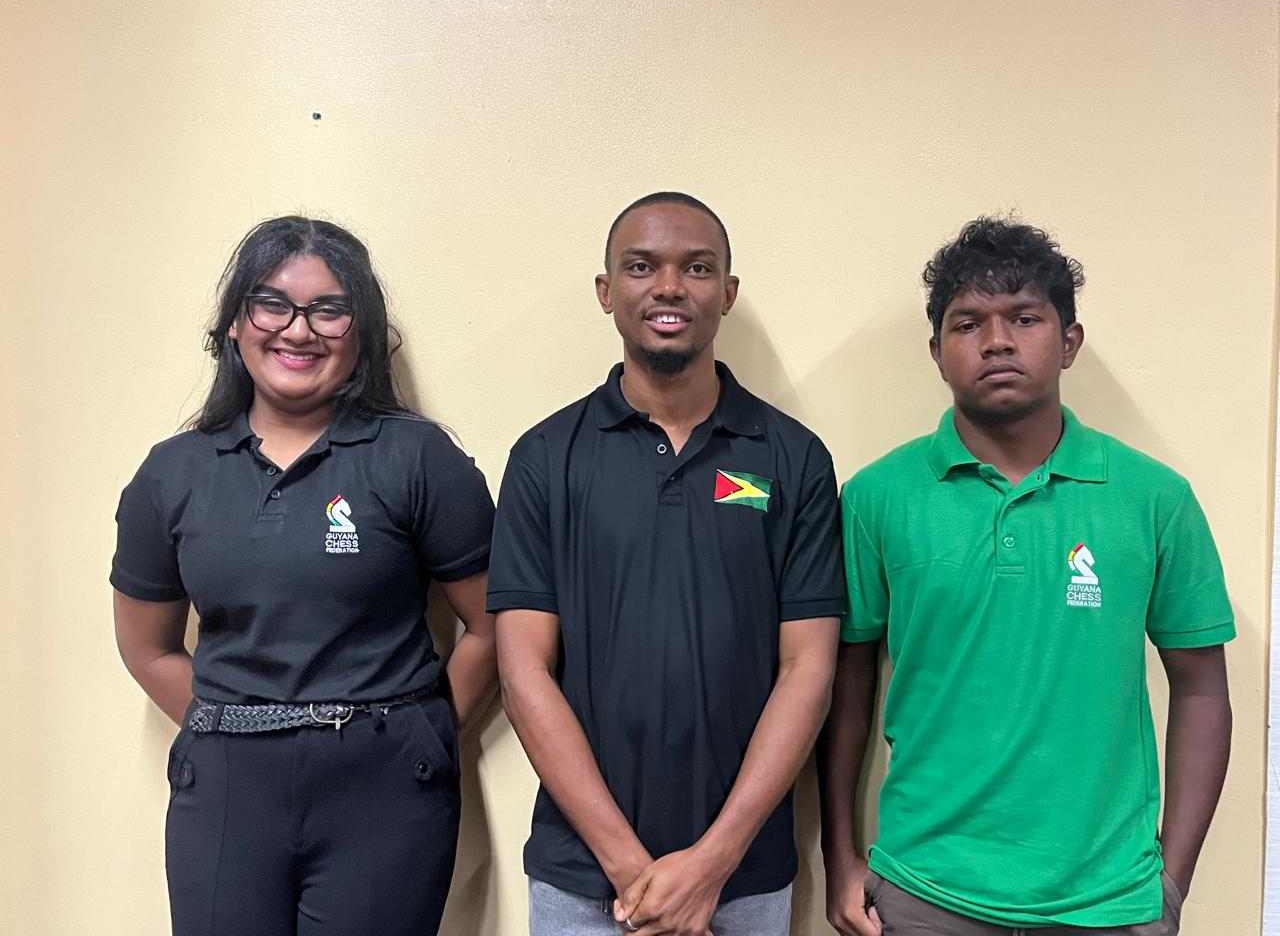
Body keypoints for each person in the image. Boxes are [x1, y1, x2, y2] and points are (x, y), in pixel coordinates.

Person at [819, 216, 1234, 936]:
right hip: (923, 895)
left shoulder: (1154, 498)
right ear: (937, 353)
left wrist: (1171, 884)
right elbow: (845, 688)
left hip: (1109, 903)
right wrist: (841, 856)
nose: (997, 341)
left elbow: (1201, 689)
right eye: (968, 323)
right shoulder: (875, 498)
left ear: (1069, 341)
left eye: (1024, 317)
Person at [111, 216, 497, 936]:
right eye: (272, 304)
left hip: (386, 786)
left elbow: (493, 624)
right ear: (235, 324)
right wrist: (243, 724)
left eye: (329, 309)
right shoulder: (172, 474)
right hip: (226, 790)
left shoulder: (418, 459)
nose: (298, 330)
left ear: (361, 331)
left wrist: (426, 733)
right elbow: (146, 647)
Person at [488, 191, 844, 936]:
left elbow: (808, 669)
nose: (671, 287)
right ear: (606, 290)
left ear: (729, 293)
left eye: (698, 268)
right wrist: (633, 872)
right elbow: (523, 672)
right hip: (584, 878)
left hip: (743, 878)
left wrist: (710, 864)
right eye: (642, 266)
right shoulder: (545, 458)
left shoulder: (794, 458)